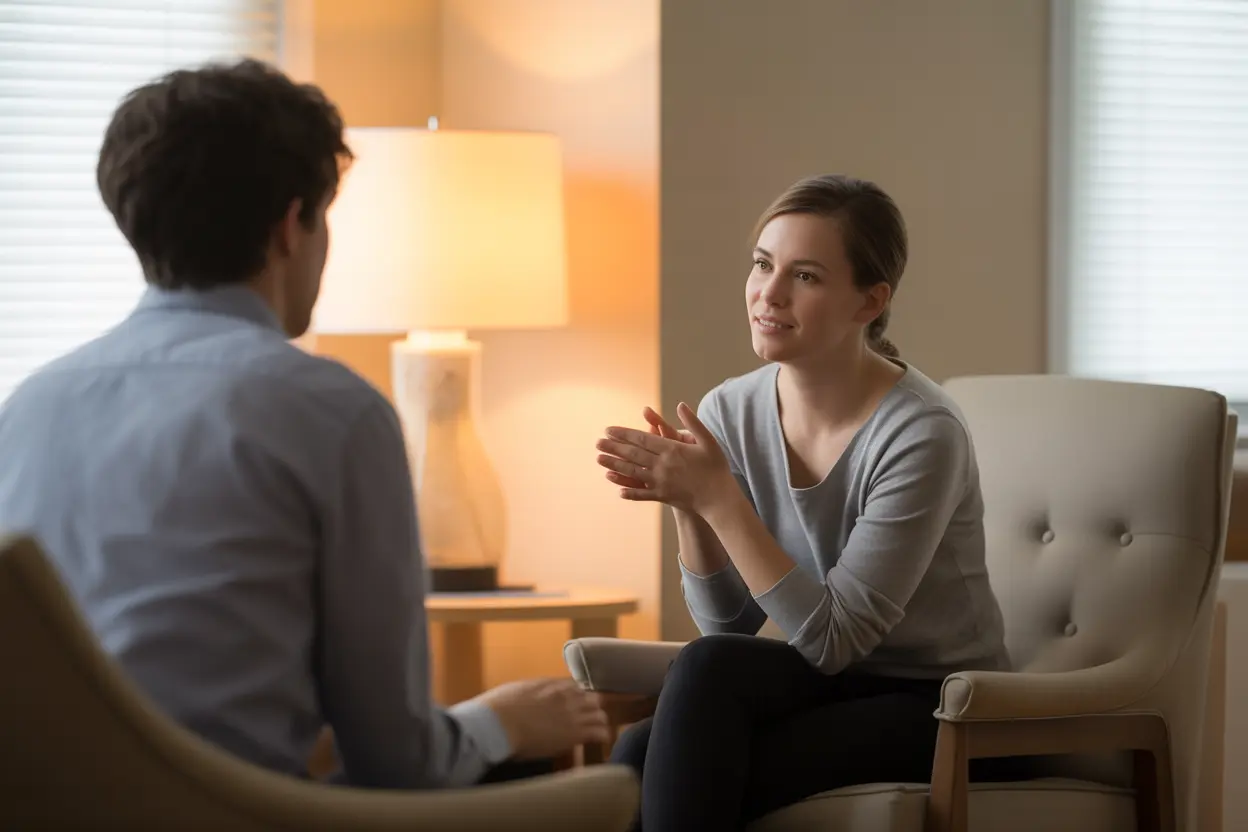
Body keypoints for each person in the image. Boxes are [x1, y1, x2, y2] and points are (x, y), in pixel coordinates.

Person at [0, 59, 608, 788]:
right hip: (231, 813)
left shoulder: (29, 407)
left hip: (50, 806)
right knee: (571, 774)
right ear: (292, 225)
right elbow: (396, 760)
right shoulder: (332, 413)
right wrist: (503, 720)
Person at [594, 174, 1013, 829]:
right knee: (638, 748)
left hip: (947, 704)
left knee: (677, 761)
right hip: (834, 683)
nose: (769, 293)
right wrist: (689, 502)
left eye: (807, 276)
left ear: (869, 302)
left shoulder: (920, 433)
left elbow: (834, 639)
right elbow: (726, 629)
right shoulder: (729, 410)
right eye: (763, 264)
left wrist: (717, 496)